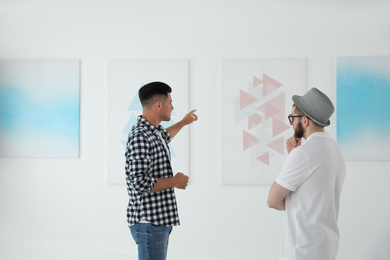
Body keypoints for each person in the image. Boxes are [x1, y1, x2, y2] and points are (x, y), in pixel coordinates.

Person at [267, 88, 346, 260]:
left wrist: (293, 156)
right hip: (326, 249)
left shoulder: (303, 154)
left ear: (305, 120)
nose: (290, 123)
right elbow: (313, 197)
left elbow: (273, 201)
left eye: (292, 118)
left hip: (301, 251)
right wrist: (293, 156)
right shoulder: (336, 151)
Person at [125, 81, 198, 260]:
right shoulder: (141, 135)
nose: (172, 107)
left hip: (156, 222)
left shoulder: (153, 132)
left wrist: (183, 122)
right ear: (159, 105)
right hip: (148, 222)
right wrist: (174, 181)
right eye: (170, 102)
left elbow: (165, 136)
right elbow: (140, 182)